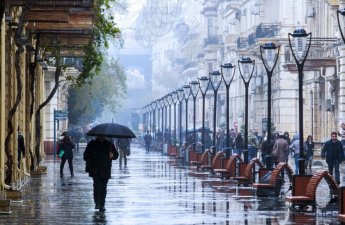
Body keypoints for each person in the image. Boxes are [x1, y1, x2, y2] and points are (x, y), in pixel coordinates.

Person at [83, 135, 118, 212]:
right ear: (97, 136)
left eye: (103, 136)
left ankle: (102, 204)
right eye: (100, 136)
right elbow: (85, 156)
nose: (102, 137)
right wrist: (92, 158)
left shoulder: (110, 144)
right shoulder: (92, 144)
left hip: (106, 169)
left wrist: (113, 156)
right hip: (95, 169)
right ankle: (97, 203)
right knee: (96, 186)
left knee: (103, 188)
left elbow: (116, 155)